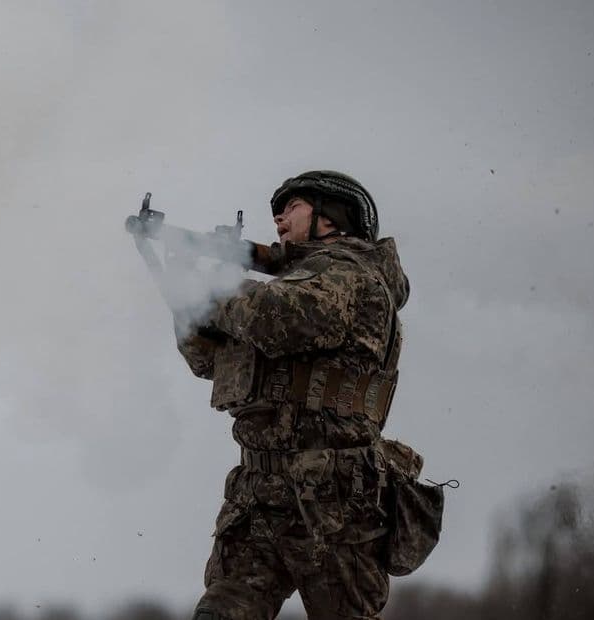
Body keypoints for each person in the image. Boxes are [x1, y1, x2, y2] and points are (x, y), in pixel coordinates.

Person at [177, 171, 416, 620]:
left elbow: (280, 318)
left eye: (293, 206)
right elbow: (207, 361)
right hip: (260, 493)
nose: (278, 216)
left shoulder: (352, 277)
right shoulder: (293, 283)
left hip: (334, 498)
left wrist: (221, 289)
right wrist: (188, 301)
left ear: (331, 216)